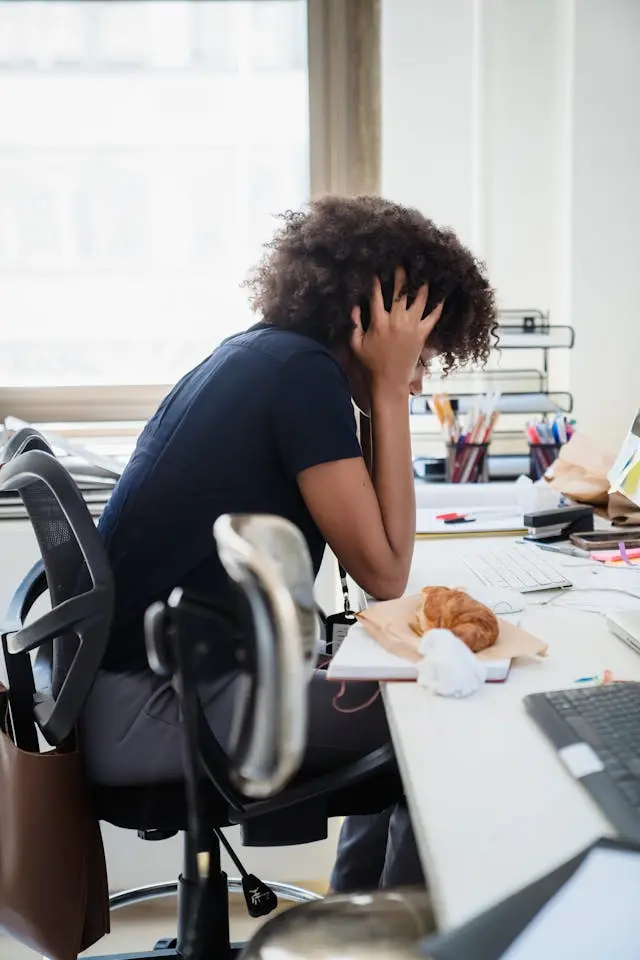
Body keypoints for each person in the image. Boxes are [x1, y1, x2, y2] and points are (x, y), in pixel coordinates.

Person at [81, 195, 497, 891]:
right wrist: (388, 390)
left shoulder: (269, 355)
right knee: (439, 715)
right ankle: (399, 934)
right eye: (421, 354)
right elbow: (386, 571)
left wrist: (383, 387)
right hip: (153, 708)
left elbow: (378, 551)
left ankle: (357, 923)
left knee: (405, 697)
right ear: (373, 318)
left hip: (144, 690)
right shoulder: (299, 376)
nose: (422, 377)